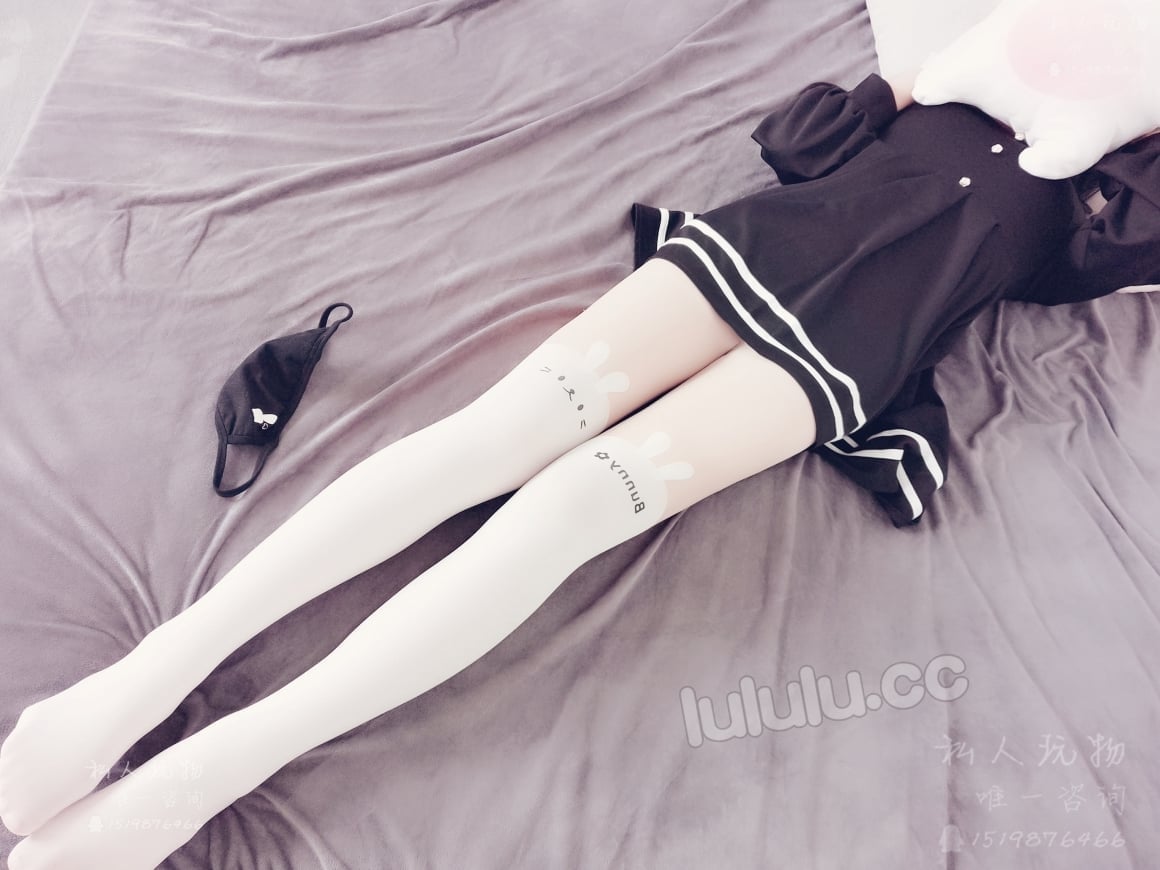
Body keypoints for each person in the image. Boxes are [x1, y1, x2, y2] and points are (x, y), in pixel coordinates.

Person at [2, 67, 1158, 868]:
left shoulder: (1108, 184)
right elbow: (799, 142)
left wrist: (1103, 115)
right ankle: (139, 684)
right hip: (758, 251)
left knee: (567, 510)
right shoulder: (973, 49)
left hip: (848, 356)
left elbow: (1126, 240)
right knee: (493, 437)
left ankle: (210, 771)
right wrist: (914, 85)